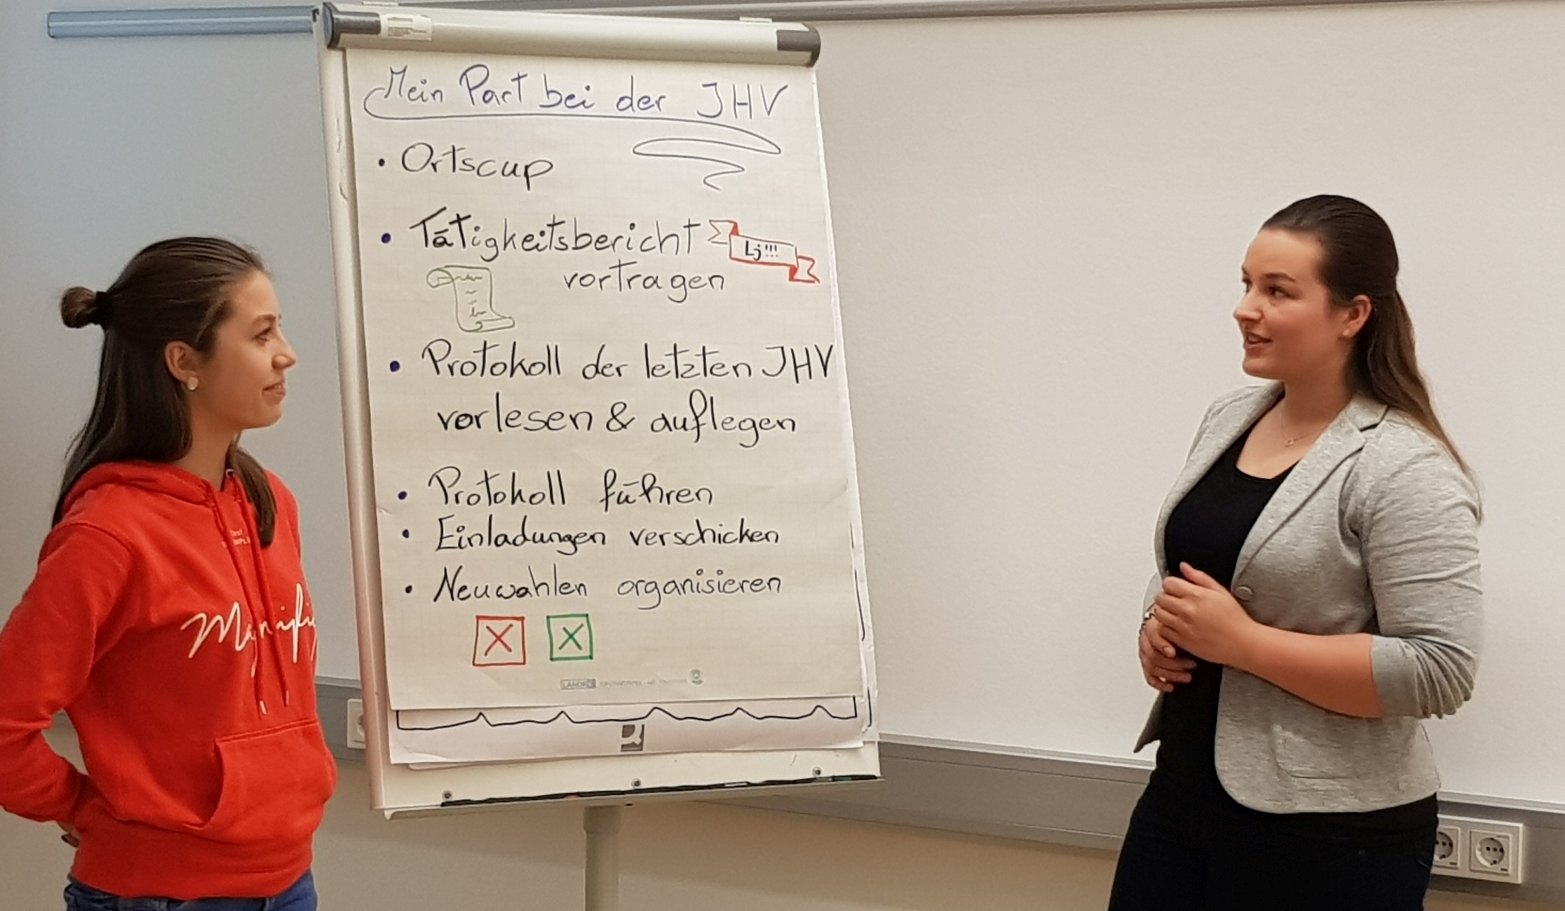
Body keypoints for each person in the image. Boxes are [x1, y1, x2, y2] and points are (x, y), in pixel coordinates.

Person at [1107, 195, 1482, 910]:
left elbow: (1439, 670)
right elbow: (1202, 561)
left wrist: (1244, 644)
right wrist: (1158, 624)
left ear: (1352, 314)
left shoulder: (1403, 466)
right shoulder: (1229, 417)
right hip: (1182, 794)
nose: (1245, 309)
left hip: (1332, 834)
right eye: (1246, 284)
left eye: (1277, 291)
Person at [0, 238, 336, 910]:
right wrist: (80, 805)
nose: (286, 353)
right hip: (159, 895)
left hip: (289, 883)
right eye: (262, 333)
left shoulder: (269, 502)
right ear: (183, 361)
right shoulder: (107, 535)